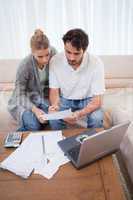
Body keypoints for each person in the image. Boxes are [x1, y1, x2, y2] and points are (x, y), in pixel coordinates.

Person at [49, 28, 105, 130]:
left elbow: (97, 100)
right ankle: (62, 143)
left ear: (84, 50)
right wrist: (55, 106)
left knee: (97, 118)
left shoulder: (96, 63)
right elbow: (54, 91)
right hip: (65, 99)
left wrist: (78, 114)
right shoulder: (55, 61)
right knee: (53, 118)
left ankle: (91, 144)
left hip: (88, 100)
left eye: (76, 53)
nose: (71, 58)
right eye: (68, 52)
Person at [8, 29, 56, 131]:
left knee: (53, 119)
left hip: (41, 98)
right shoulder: (25, 65)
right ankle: (17, 138)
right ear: (32, 53)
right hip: (23, 100)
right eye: (40, 56)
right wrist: (35, 110)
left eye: (47, 54)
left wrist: (54, 103)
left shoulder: (53, 54)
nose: (45, 59)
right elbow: (19, 94)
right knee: (34, 125)